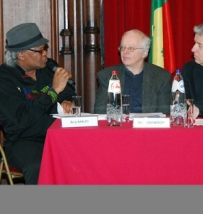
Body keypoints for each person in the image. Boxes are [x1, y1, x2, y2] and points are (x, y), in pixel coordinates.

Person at [0, 23, 76, 184]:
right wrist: (53, 91)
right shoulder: (4, 79)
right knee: (39, 167)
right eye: (40, 50)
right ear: (20, 54)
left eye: (45, 48)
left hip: (57, 135)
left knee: (85, 157)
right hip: (24, 141)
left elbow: (68, 90)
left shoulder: (48, 68)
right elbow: (22, 118)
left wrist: (67, 101)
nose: (45, 54)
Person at [94, 29, 171, 114]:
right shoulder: (107, 76)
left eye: (131, 48)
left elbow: (164, 114)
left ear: (144, 53)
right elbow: (100, 112)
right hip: (119, 126)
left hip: (148, 126)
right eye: (123, 47)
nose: (125, 52)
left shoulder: (161, 77)